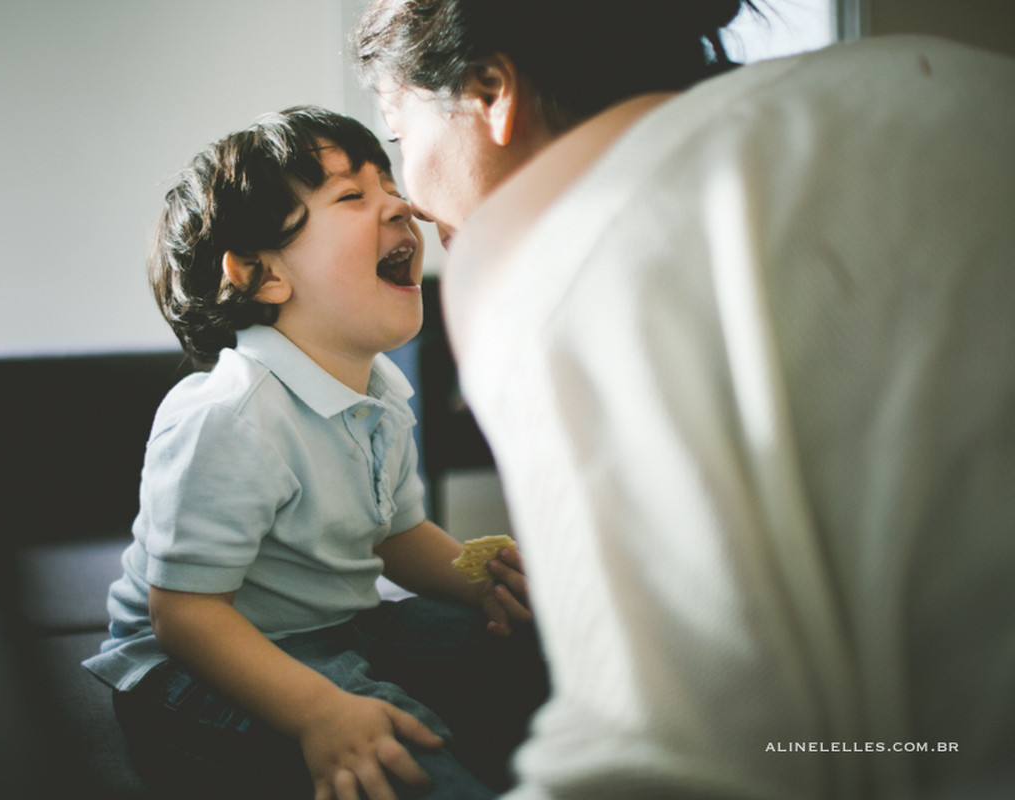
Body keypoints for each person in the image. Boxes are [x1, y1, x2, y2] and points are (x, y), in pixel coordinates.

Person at [350, 1, 1015, 797]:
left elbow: (661, 768)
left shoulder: (559, 243)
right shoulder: (950, 79)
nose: (408, 200)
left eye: (398, 137)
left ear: (493, 91)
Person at [83, 106, 546, 800]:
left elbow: (395, 536)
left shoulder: (380, 391)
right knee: (404, 759)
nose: (402, 205)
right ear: (261, 274)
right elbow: (183, 616)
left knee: (536, 651)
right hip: (191, 672)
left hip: (338, 626)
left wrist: (481, 581)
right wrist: (320, 711)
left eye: (390, 185)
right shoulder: (231, 416)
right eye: (353, 196)